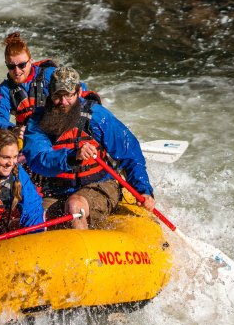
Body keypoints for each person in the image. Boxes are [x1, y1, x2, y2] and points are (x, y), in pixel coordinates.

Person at [22, 66, 154, 230]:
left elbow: (131, 154)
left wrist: (143, 190)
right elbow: (37, 159)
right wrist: (72, 156)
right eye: (57, 96)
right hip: (57, 191)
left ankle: (84, 253)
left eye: (68, 95)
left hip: (99, 185)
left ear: (78, 92)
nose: (63, 102)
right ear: (50, 94)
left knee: (75, 206)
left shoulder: (97, 116)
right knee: (33, 220)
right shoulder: (38, 121)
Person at [0, 31, 87, 136]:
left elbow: (78, 89)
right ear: (6, 65)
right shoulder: (4, 90)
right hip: (27, 136)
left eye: (22, 65)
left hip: (58, 129)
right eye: (11, 67)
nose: (17, 71)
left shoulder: (50, 75)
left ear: (31, 61)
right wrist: (13, 130)